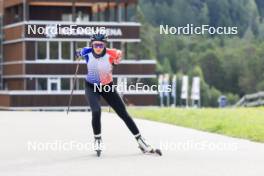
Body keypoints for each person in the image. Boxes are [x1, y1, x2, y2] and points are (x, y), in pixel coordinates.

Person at [76, 33, 161, 156]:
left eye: (101, 45)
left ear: (105, 45)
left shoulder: (112, 53)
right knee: (96, 111)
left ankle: (142, 142)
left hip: (107, 86)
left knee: (123, 113)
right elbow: (78, 52)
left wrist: (116, 60)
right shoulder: (86, 52)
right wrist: (77, 54)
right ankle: (98, 140)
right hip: (91, 87)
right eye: (95, 45)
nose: (98, 47)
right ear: (92, 45)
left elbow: (118, 56)